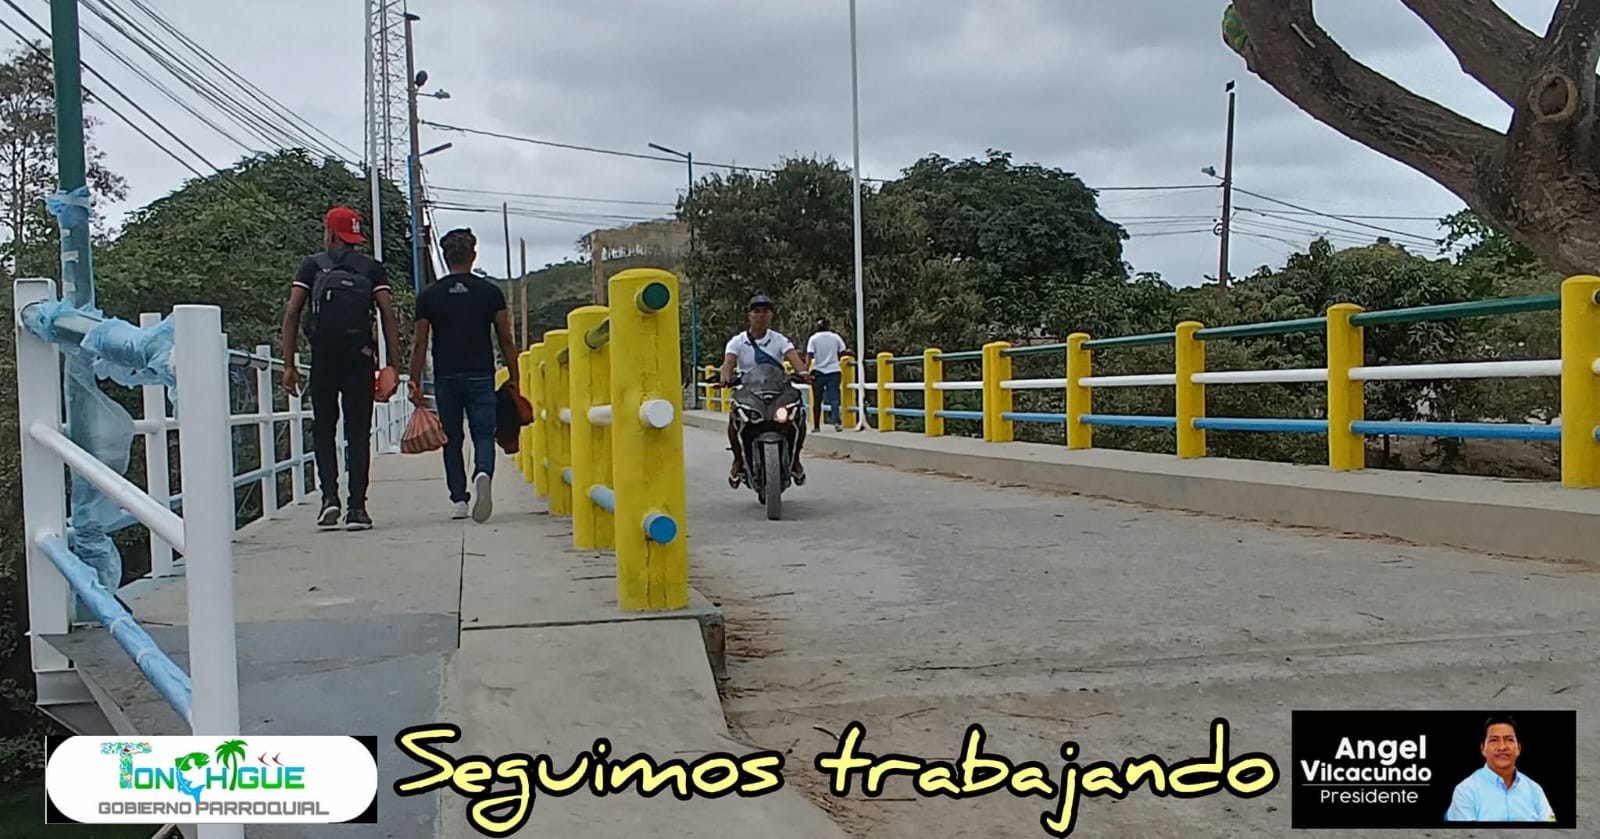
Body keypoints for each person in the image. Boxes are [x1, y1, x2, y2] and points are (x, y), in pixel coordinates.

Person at [280, 206, 399, 531]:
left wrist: (289, 365)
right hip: (360, 359)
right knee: (358, 431)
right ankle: (357, 509)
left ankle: (329, 498)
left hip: (324, 358)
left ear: (329, 233)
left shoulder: (312, 265)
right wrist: (393, 366)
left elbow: (292, 313)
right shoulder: (372, 268)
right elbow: (387, 315)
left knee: (323, 429)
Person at [407, 228, 520, 523]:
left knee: (452, 437)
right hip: (481, 374)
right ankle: (483, 472)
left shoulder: (429, 296)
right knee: (483, 433)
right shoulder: (490, 293)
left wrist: (413, 379)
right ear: (473, 255)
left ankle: (459, 499)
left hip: (446, 376)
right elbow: (505, 338)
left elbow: (420, 342)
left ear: (446, 257)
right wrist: (515, 375)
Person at [719, 294, 811, 488]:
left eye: (765, 311)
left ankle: (795, 459)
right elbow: (728, 363)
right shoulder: (738, 341)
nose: (761, 315)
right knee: (734, 420)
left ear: (771, 316)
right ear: (750, 315)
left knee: (799, 417)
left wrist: (803, 373)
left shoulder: (779, 340)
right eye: (756, 311)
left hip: (777, 392)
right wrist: (725, 377)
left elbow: (794, 358)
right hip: (749, 393)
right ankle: (738, 460)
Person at [1445, 714, 1557, 822]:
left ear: (1519, 748)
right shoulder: (1465, 791)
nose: (1502, 747)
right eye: (1494, 740)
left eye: (1509, 739)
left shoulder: (1535, 790)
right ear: (1483, 749)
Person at [805, 318, 847, 431]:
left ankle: (816, 426)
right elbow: (843, 351)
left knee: (817, 400)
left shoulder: (813, 338)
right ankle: (837, 422)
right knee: (834, 398)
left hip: (818, 371)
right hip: (834, 370)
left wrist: (805, 371)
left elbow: (809, 355)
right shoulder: (835, 337)